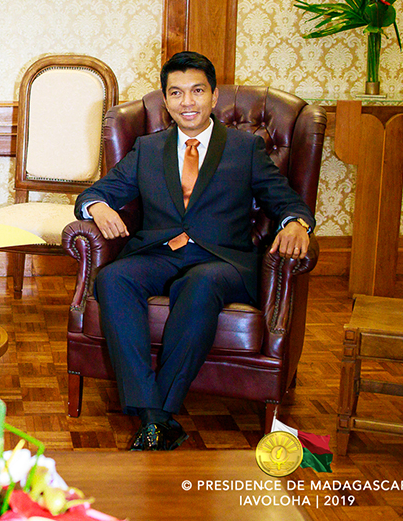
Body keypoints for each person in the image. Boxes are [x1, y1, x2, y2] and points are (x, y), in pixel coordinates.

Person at [74, 51, 314, 451]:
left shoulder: (245, 148)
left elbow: (286, 200)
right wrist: (97, 206)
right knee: (114, 278)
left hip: (222, 262)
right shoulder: (148, 149)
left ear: (214, 96)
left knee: (200, 283)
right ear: (166, 101)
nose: (188, 102)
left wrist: (295, 223)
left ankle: (153, 414)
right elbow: (96, 193)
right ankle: (157, 417)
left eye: (197, 91)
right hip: (160, 253)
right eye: (177, 93)